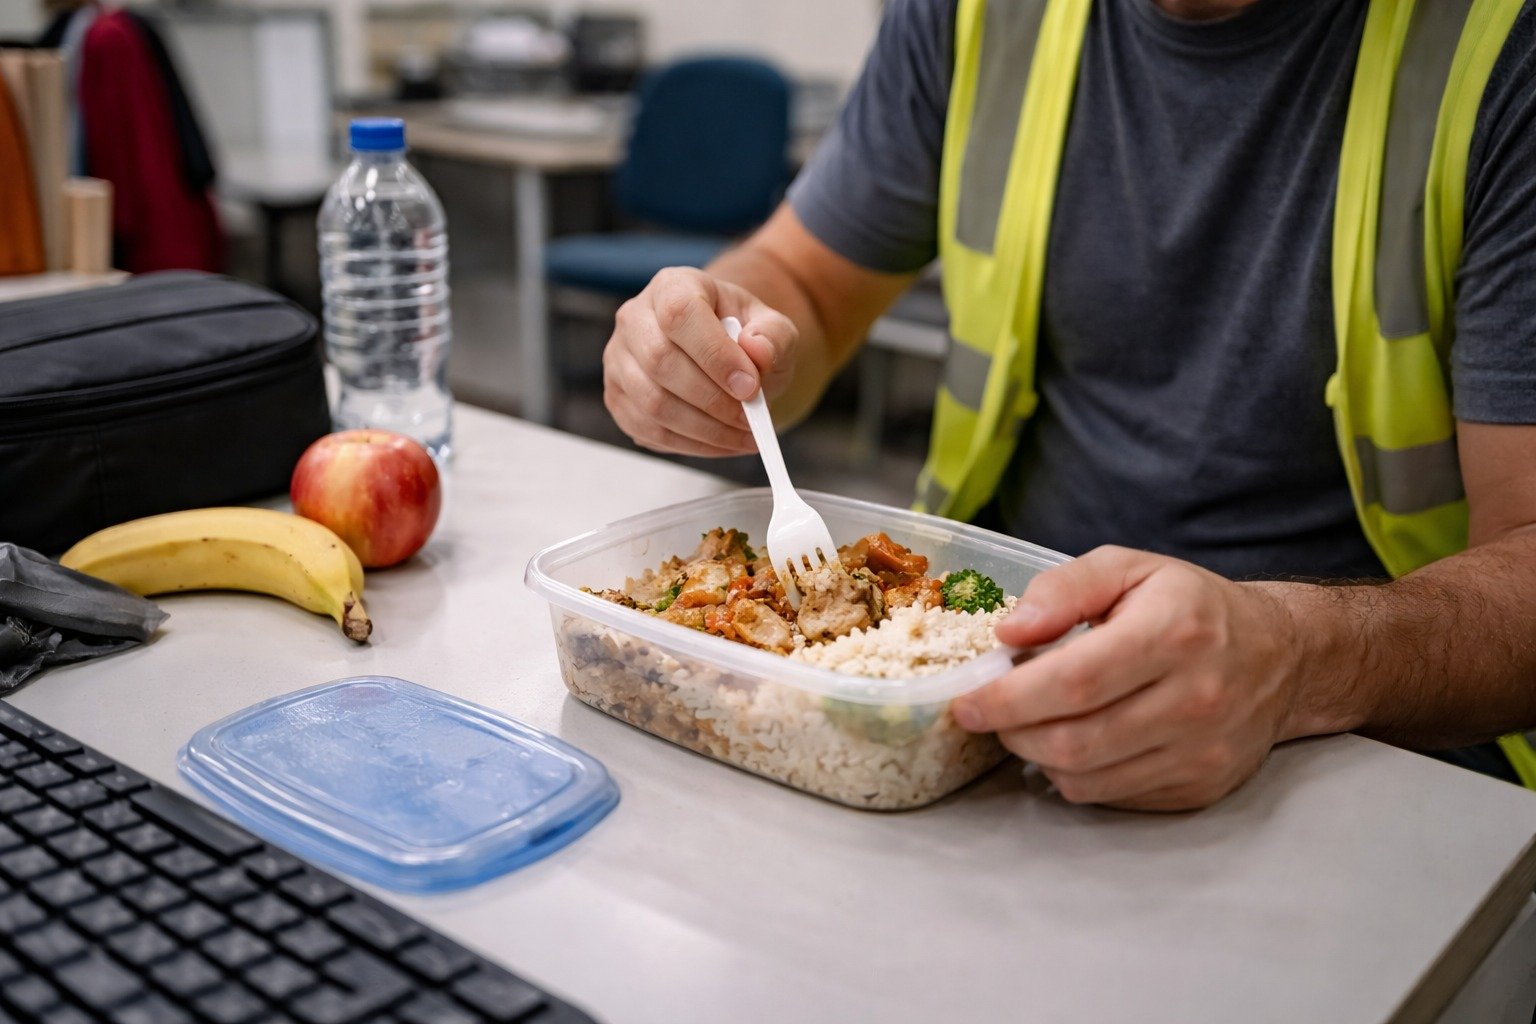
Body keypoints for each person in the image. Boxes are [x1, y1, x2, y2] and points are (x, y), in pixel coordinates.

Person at [600, 0, 1536, 810]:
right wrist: (718, 340)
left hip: (1369, 750)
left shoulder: (1501, 48)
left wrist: (1299, 658)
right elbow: (800, 276)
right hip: (972, 686)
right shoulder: (971, 15)